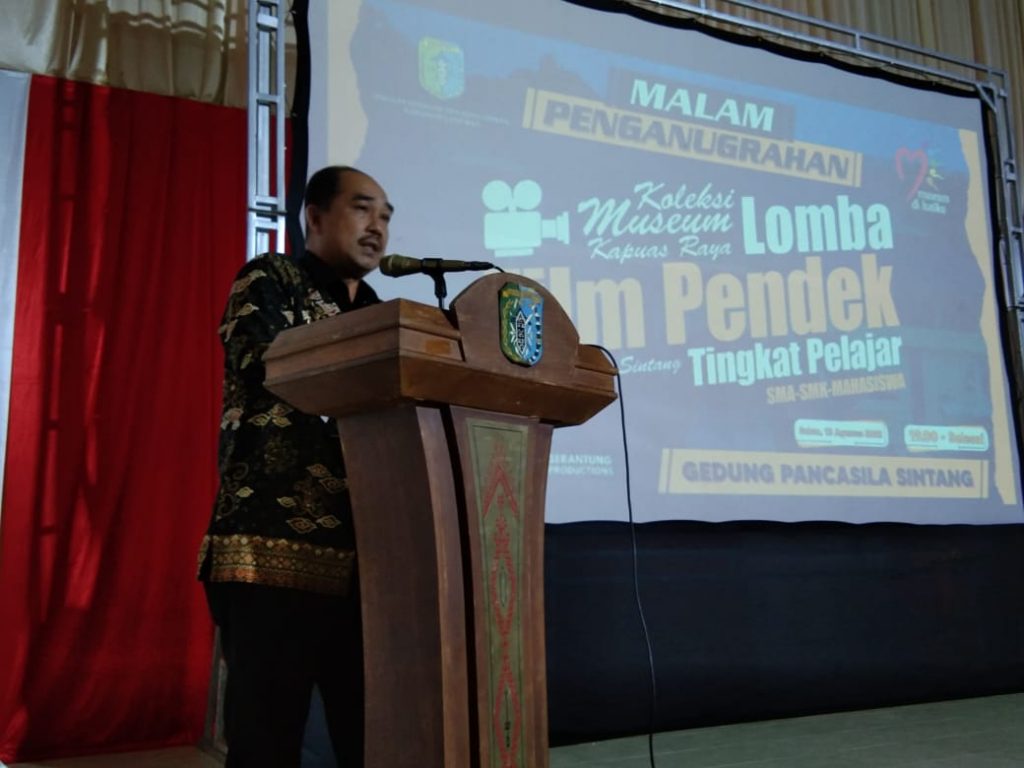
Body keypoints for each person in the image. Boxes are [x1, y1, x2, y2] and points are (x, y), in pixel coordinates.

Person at [197, 166, 393, 767]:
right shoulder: (271, 277)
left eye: (386, 216)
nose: (378, 226)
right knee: (266, 741)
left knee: (372, 740)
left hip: (365, 559)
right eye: (363, 208)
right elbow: (268, 364)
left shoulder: (383, 314)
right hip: (270, 552)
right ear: (314, 215)